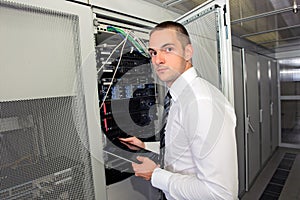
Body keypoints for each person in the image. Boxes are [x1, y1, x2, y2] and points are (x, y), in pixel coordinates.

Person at [120, 21, 238, 200]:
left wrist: (155, 175)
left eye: (167, 49)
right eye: (153, 52)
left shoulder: (201, 103)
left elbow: (220, 193)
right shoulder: (179, 97)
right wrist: (145, 146)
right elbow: (183, 147)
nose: (157, 60)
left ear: (188, 52)